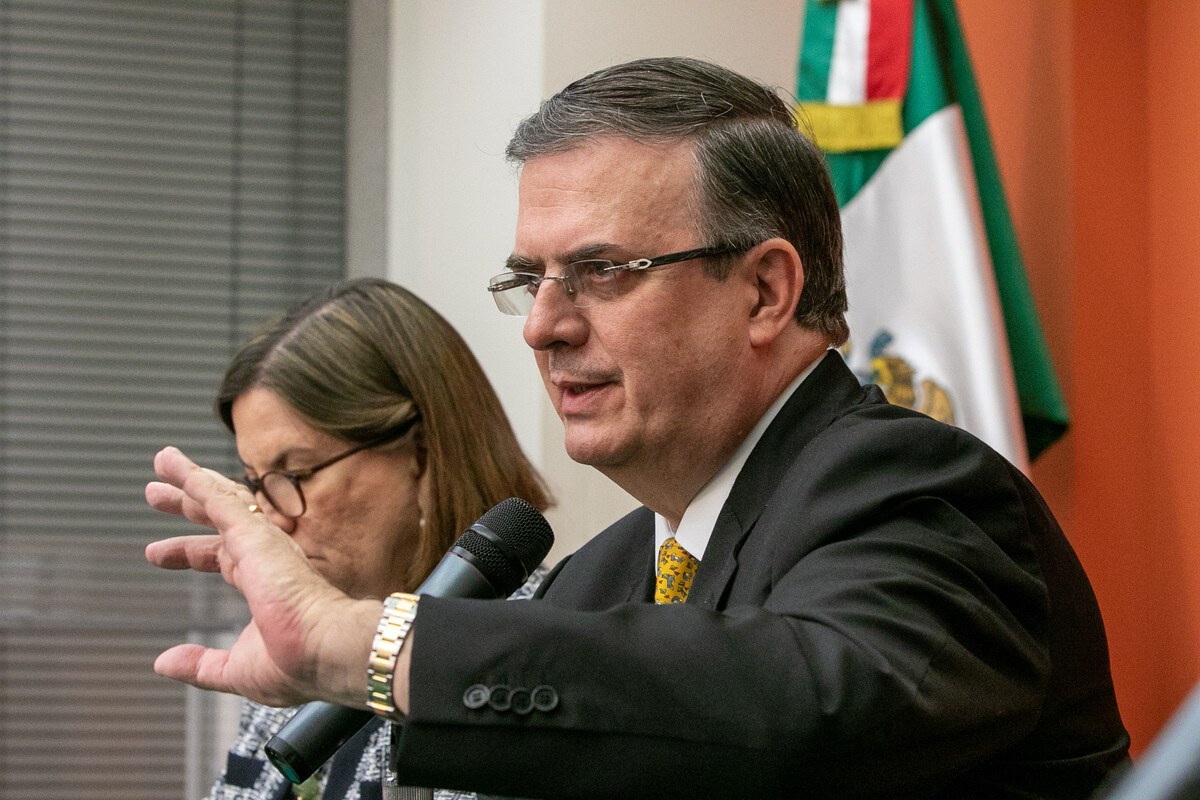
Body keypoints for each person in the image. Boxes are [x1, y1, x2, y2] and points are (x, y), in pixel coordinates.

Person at [146, 58, 1130, 798]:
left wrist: (360, 642)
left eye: (602, 271)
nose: (542, 325)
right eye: (531, 279)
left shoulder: (918, 491)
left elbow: (807, 710)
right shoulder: (597, 577)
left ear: (766, 290)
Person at [199, 277, 550, 800]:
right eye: (256, 482)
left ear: (421, 454)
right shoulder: (294, 650)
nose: (273, 520)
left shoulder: (531, 651)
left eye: (294, 475)